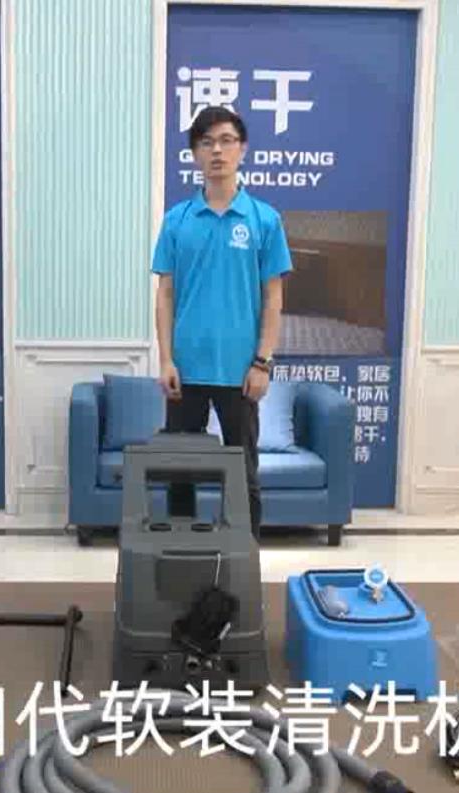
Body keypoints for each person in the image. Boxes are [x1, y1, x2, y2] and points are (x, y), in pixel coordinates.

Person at [151, 106, 292, 540]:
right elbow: (165, 293)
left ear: (242, 149)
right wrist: (166, 360)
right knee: (180, 475)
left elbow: (273, 297)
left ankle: (243, 561)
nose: (217, 150)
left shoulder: (264, 219)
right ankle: (179, 561)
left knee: (243, 476)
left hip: (241, 371)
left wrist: (262, 362)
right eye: (207, 142)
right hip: (186, 370)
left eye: (227, 140)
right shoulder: (177, 220)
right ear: (195, 153)